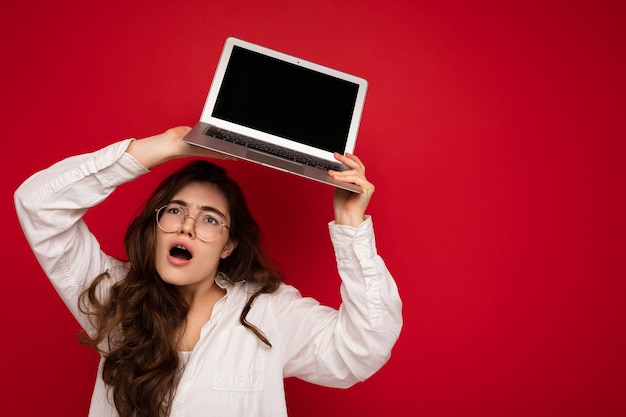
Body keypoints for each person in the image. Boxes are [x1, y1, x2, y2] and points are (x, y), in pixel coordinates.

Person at [14, 126, 403, 417]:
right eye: (176, 210)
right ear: (156, 225)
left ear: (229, 245)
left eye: (210, 219)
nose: (187, 226)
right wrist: (170, 145)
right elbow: (37, 206)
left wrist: (351, 225)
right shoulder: (113, 294)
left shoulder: (268, 311)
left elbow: (363, 348)